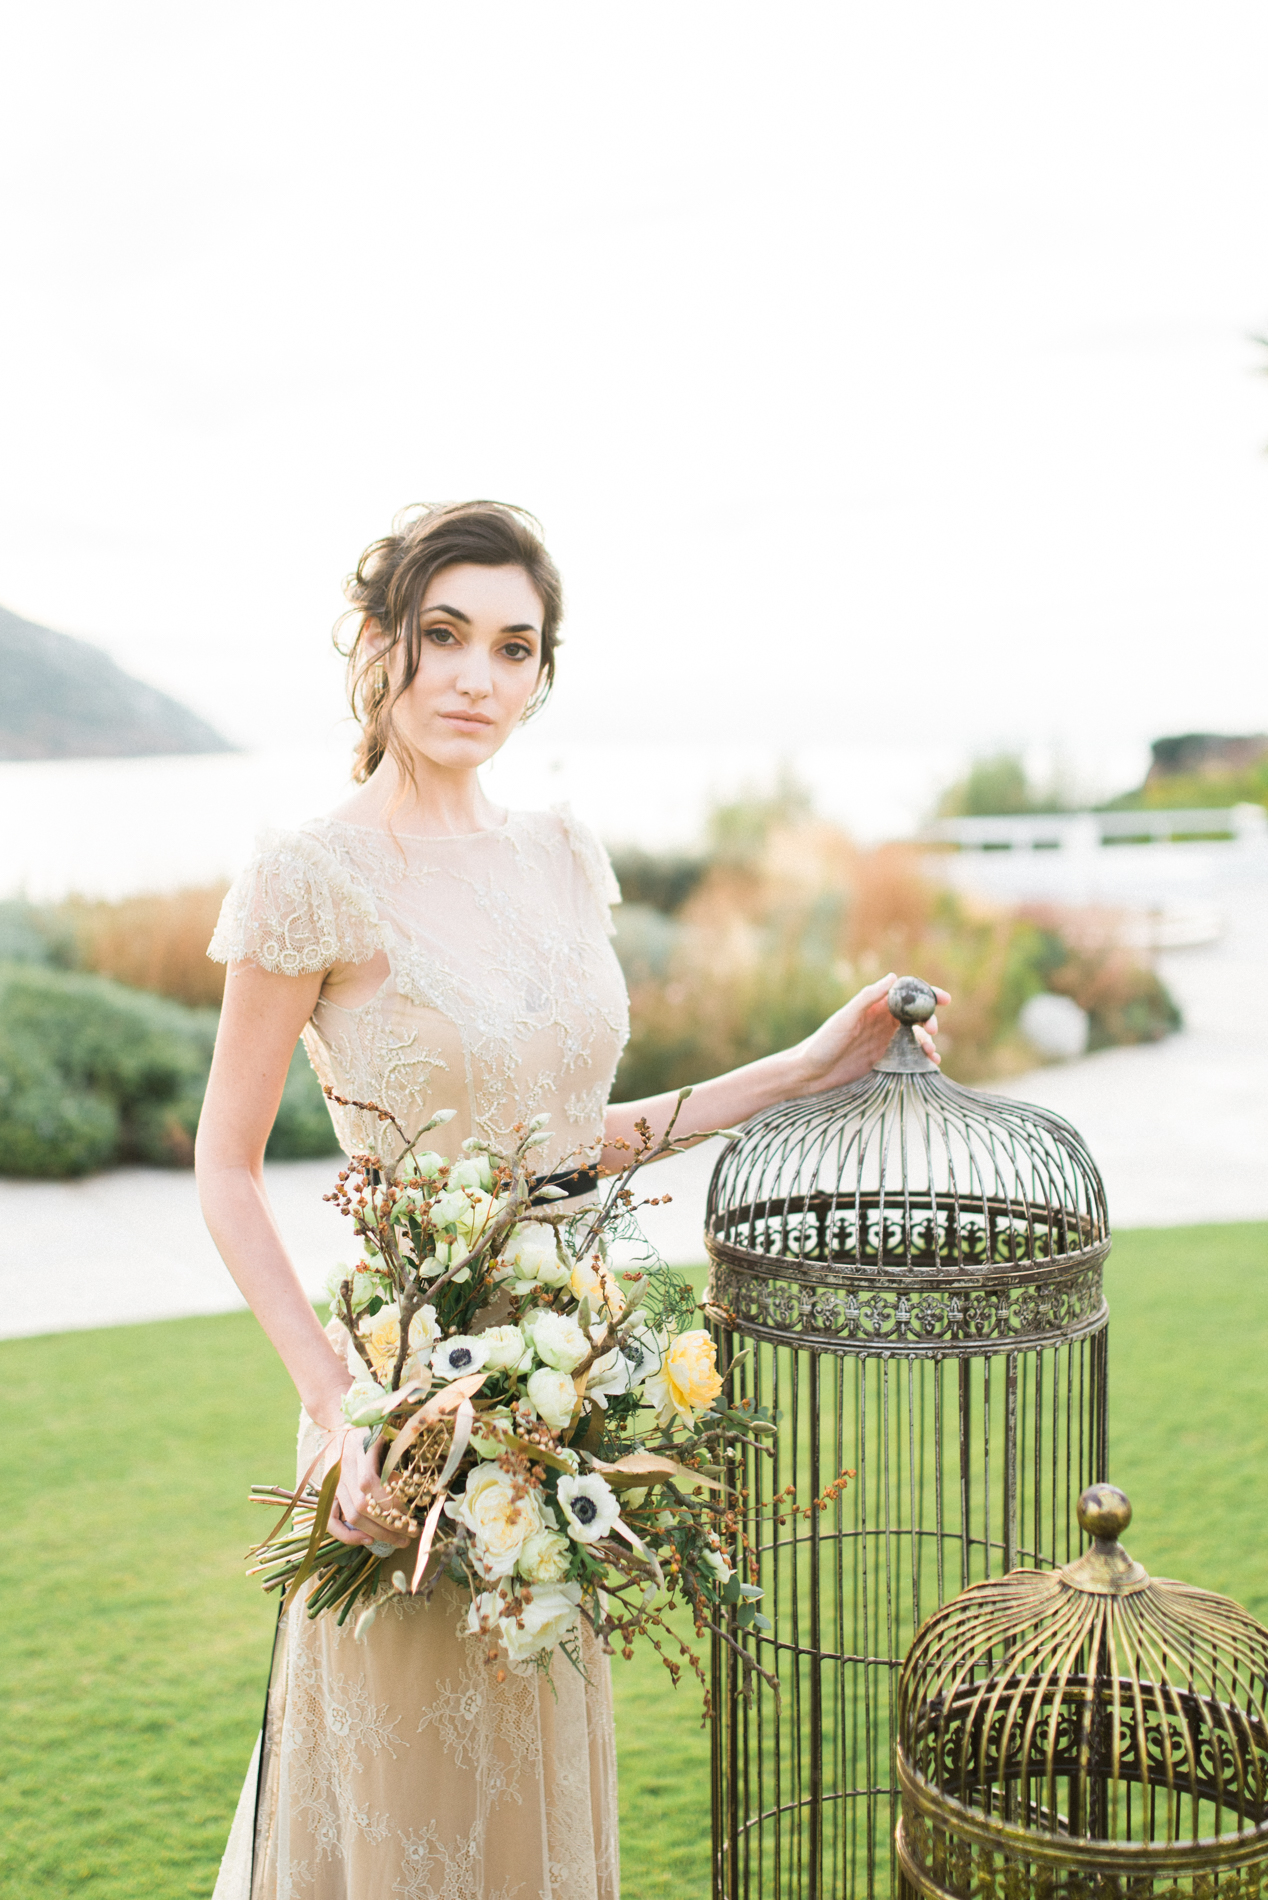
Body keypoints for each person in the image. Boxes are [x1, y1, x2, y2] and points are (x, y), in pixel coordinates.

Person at [197, 500, 945, 1900]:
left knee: (533, 1785)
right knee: (409, 1793)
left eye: (514, 646)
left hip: (568, 1394)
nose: (477, 676)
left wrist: (801, 1065)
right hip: (406, 1414)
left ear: (545, 671)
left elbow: (565, 1144)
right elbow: (224, 1170)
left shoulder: (559, 853)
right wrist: (339, 1413)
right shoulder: (310, 874)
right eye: (444, 636)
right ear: (378, 647)